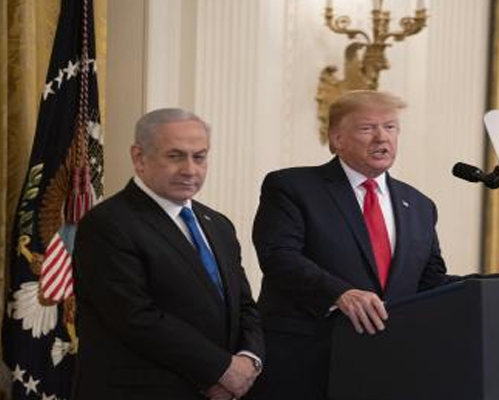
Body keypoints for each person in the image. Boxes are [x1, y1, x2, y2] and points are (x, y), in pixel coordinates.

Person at [247, 90, 460, 400]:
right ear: (337, 139)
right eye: (367, 128)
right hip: (305, 362)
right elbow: (279, 256)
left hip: (384, 368)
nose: (381, 138)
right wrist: (339, 293)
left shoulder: (419, 205)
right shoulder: (292, 187)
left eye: (390, 127)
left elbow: (431, 282)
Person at [72, 108, 264, 400]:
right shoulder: (108, 224)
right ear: (139, 158)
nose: (190, 169)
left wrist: (249, 359)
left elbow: (244, 306)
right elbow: (135, 318)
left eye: (199, 157)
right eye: (175, 156)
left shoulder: (218, 224)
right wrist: (221, 370)